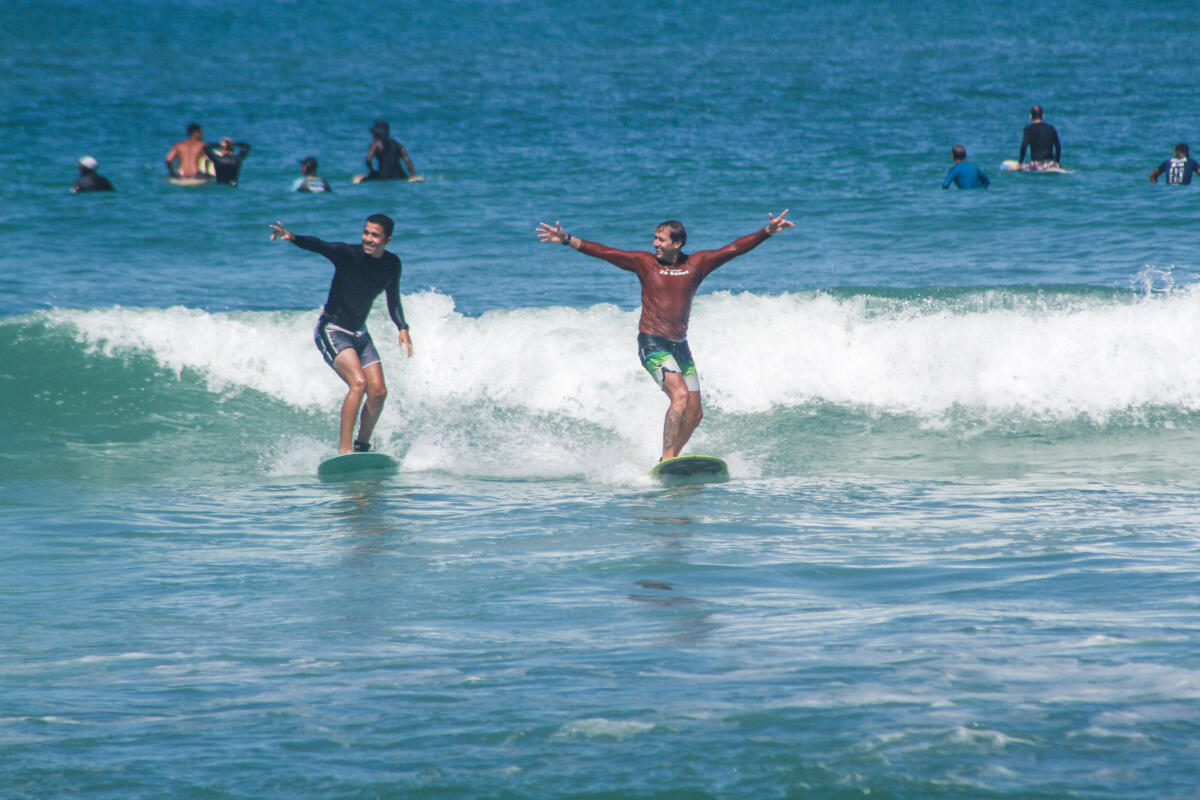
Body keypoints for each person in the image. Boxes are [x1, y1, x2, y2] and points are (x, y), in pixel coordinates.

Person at [536, 211, 795, 462]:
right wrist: (567, 239)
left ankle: (669, 459)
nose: (655, 244)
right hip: (652, 343)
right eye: (655, 238)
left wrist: (767, 232)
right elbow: (605, 252)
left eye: (661, 239)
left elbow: (734, 249)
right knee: (679, 396)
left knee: (695, 413)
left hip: (680, 346)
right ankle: (668, 458)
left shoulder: (697, 264)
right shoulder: (645, 263)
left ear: (677, 243)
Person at [269, 215, 413, 455]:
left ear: (387, 240)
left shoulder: (392, 264)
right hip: (332, 329)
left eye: (375, 235)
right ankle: (345, 450)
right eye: (366, 232)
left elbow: (393, 299)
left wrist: (402, 327)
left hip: (359, 332)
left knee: (379, 392)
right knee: (359, 383)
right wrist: (292, 237)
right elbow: (321, 245)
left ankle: (362, 446)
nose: (368, 238)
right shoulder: (348, 255)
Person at [354, 120, 420, 183]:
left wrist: (372, 171)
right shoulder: (397, 144)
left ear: (376, 134)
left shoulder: (376, 144)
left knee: (361, 179)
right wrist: (413, 175)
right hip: (400, 175)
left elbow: (368, 159)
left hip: (384, 176)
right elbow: (407, 160)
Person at [1017, 105, 1061, 170]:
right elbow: (1058, 147)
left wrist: (1020, 163)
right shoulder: (1051, 128)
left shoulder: (1028, 129)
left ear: (1030, 116)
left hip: (1035, 165)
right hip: (1051, 164)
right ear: (1043, 115)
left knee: (1011, 170)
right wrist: (1057, 163)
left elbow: (1024, 146)